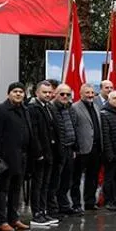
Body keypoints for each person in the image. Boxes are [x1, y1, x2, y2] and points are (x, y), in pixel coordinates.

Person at [0, 83, 34, 231]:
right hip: (6, 157)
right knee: (3, 189)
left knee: (16, 189)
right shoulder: (0, 110)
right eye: (15, 91)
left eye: (21, 91)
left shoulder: (25, 110)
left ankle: (14, 219)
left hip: (22, 156)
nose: (18, 94)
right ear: (9, 93)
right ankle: (1, 221)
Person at [26, 81, 59, 228]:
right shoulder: (33, 108)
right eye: (44, 92)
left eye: (49, 92)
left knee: (46, 184)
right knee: (38, 184)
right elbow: (33, 133)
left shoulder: (49, 107)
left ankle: (43, 211)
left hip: (50, 152)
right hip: (40, 154)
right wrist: (38, 152)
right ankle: (37, 213)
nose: (47, 95)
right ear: (37, 93)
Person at [70, 84, 103, 212]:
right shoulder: (74, 107)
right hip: (81, 149)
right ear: (81, 93)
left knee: (92, 177)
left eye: (92, 93)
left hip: (95, 149)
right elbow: (73, 128)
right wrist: (75, 147)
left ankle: (90, 202)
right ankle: (76, 204)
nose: (90, 95)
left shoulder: (96, 106)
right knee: (76, 179)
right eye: (87, 92)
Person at [50, 84, 79, 216]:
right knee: (55, 181)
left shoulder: (71, 109)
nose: (65, 96)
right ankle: (53, 209)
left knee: (67, 180)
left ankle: (64, 206)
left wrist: (75, 147)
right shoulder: (51, 108)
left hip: (70, 149)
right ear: (55, 94)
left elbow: (74, 128)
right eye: (62, 94)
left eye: (68, 94)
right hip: (57, 150)